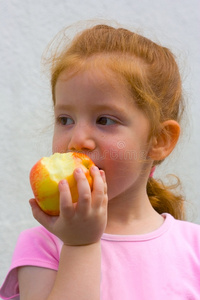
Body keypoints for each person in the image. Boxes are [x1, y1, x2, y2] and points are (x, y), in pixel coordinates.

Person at [0, 21, 200, 300]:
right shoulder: (43, 244)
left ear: (159, 139)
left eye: (105, 120)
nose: (77, 140)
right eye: (65, 120)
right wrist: (79, 246)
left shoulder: (194, 248)